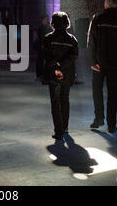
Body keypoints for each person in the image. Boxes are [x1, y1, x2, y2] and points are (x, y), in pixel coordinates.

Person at [87, 0, 117, 133]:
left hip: (99, 63)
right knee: (113, 94)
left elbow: (91, 41)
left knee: (97, 91)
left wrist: (92, 61)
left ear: (105, 4)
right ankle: (112, 124)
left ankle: (99, 118)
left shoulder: (98, 19)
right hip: (116, 64)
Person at [43, 12, 78, 141]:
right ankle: (65, 128)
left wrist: (56, 67)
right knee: (65, 100)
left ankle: (58, 131)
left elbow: (46, 56)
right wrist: (62, 65)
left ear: (53, 23)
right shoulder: (72, 39)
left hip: (53, 74)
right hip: (67, 74)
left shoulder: (48, 38)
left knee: (55, 102)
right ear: (67, 23)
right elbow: (74, 56)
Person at [36, 14, 52, 81]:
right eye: (46, 19)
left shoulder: (48, 27)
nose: (47, 20)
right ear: (43, 20)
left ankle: (44, 75)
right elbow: (41, 37)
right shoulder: (40, 28)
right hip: (42, 46)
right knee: (40, 61)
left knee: (46, 61)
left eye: (47, 19)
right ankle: (40, 75)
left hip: (46, 46)